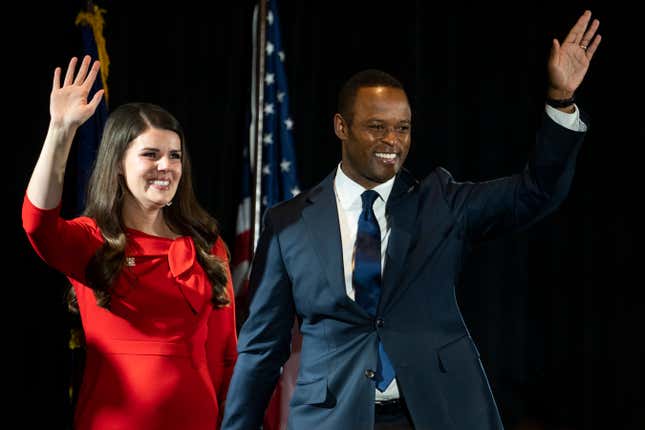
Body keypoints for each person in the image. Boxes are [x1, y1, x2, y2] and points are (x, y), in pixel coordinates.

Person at [221, 10, 601, 430]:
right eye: (376, 127)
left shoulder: (439, 201)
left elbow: (536, 192)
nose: (393, 141)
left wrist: (560, 101)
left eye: (402, 128)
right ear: (341, 127)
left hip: (440, 412)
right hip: (334, 418)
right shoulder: (289, 222)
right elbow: (261, 348)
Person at [22, 55, 237, 430]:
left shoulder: (207, 245)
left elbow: (225, 356)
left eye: (175, 156)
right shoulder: (92, 240)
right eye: (150, 154)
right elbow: (38, 224)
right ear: (119, 163)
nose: (165, 166)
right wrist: (60, 130)